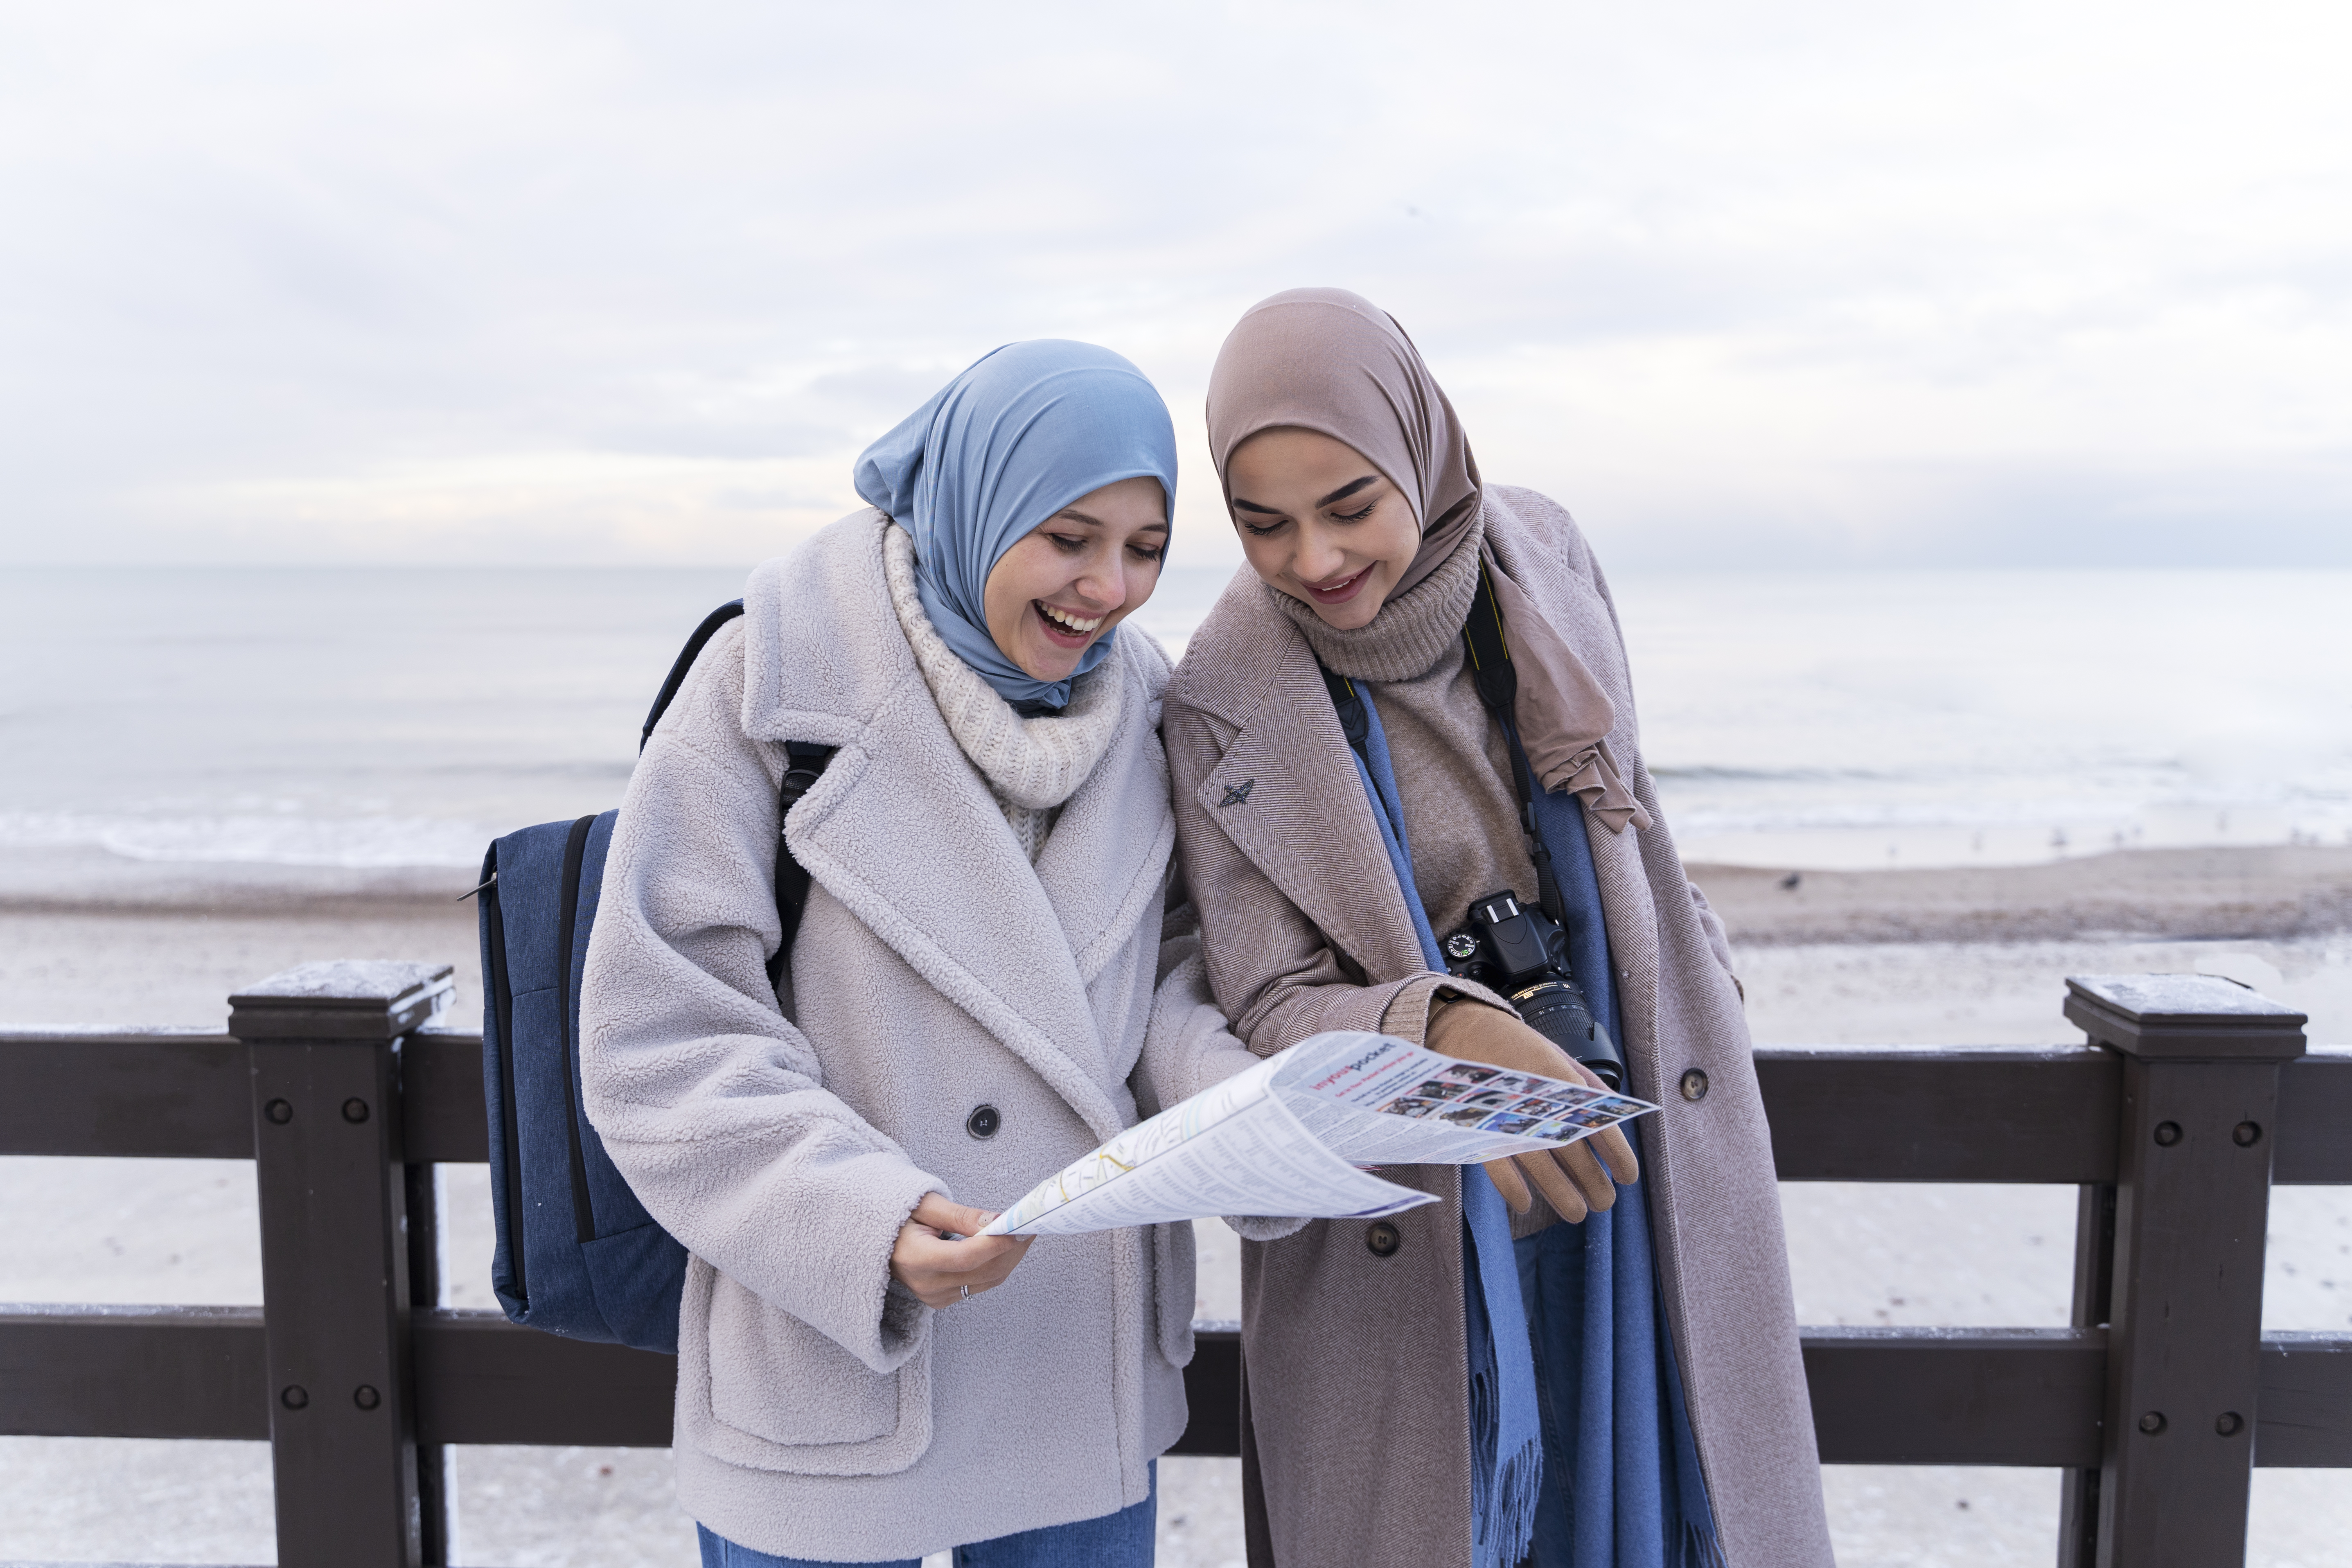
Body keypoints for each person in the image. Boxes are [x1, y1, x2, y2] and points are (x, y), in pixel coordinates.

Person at [1161, 290, 1833, 1568]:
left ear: (1421, 448)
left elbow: (1634, 818)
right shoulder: (1218, 695)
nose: (1314, 559)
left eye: (1348, 505)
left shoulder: (1546, 559)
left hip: (1635, 1161)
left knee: (1673, 1500)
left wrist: (1704, 984)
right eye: (1264, 525)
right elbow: (1264, 995)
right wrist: (1446, 1027)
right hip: (1416, 1209)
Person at [580, 340, 1259, 1567]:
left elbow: (1160, 980)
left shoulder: (1147, 702)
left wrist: (1247, 1118)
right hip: (840, 1345)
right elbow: (662, 1035)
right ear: (975, 500)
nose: (1107, 588)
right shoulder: (768, 680)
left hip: (1074, 1361)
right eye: (1067, 537)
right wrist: (862, 1225)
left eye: (1145, 548)